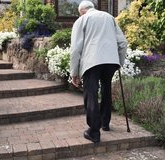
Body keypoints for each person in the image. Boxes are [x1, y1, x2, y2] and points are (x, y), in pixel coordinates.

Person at [70, 0, 127, 143]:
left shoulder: (82, 20)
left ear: (82, 11)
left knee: (91, 94)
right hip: (111, 61)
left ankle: (94, 132)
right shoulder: (109, 17)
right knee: (106, 90)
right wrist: (119, 61)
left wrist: (74, 73)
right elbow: (122, 43)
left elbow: (76, 49)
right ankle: (105, 123)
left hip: (92, 62)